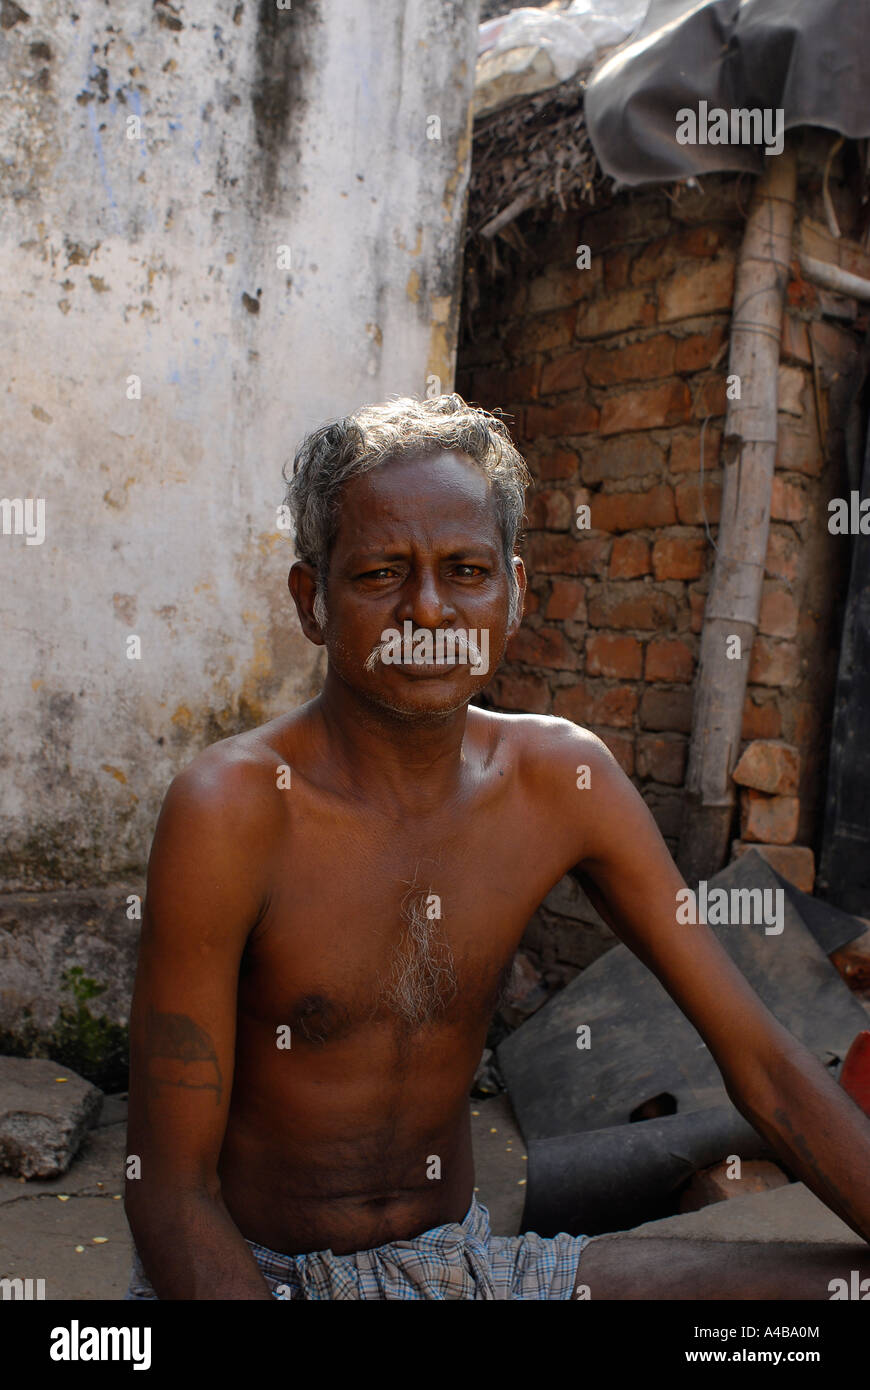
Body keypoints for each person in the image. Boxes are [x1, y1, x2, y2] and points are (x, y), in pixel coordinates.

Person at [124, 394, 870, 1300]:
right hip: (262, 1277)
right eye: (380, 575)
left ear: (514, 595)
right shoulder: (232, 811)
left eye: (466, 571)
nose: (428, 612)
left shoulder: (563, 780)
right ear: (310, 601)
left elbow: (764, 1063)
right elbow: (170, 1195)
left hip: (465, 1271)